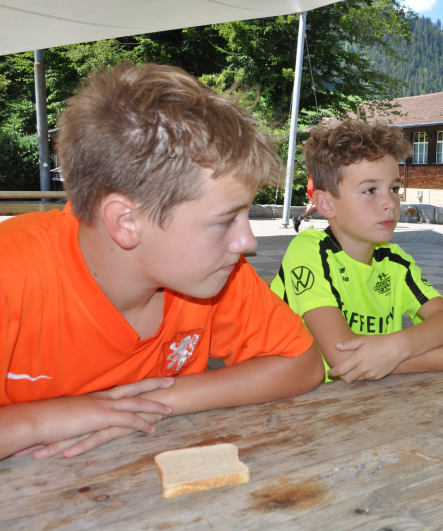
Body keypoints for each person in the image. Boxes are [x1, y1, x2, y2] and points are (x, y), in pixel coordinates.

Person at [0, 63, 324, 461]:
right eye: (225, 221)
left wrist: (154, 402)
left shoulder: (215, 272)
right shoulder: (11, 274)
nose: (247, 241)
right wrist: (40, 421)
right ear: (126, 222)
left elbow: (302, 364)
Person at [271, 120, 443, 383]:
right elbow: (345, 361)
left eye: (394, 189)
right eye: (370, 190)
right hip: (294, 399)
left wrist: (397, 346)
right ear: (325, 204)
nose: (390, 203)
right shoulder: (309, 250)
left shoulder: (395, 261)